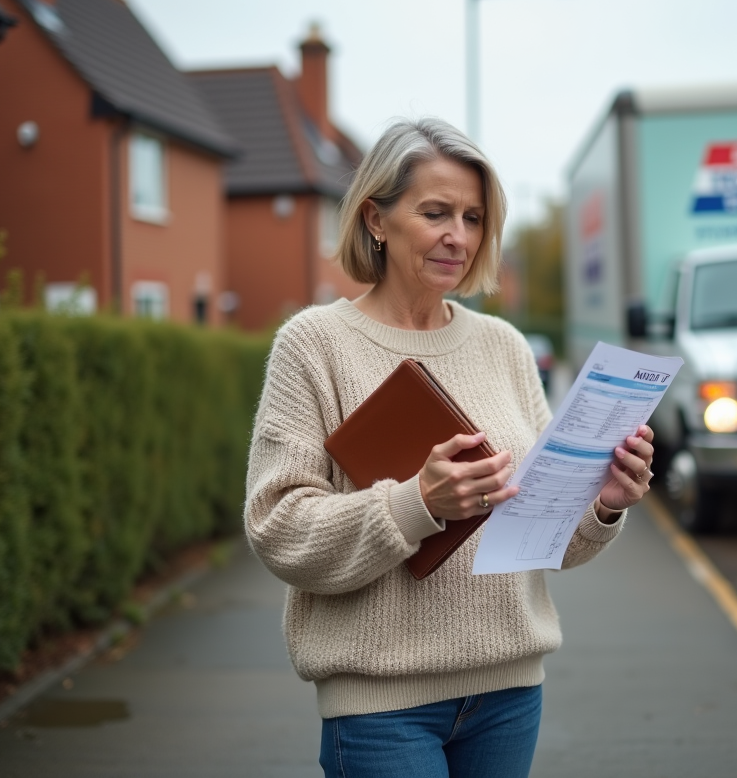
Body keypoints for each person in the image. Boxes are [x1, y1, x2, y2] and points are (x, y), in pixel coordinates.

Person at [244, 118, 655, 778]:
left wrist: (602, 503)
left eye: (472, 217)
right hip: (382, 708)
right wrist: (416, 504)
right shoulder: (313, 345)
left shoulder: (505, 347)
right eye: (435, 212)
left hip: (510, 693)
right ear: (375, 220)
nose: (457, 236)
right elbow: (278, 530)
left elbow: (547, 541)